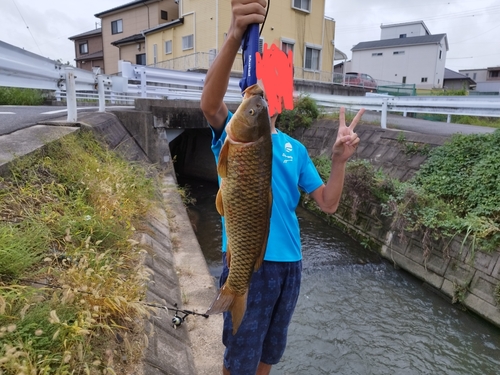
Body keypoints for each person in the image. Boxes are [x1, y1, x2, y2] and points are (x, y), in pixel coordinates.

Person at [200, 1, 365, 374]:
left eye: (275, 88)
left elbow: (328, 203)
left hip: (291, 267)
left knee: (268, 355)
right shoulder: (234, 135)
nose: (267, 95)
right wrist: (234, 36)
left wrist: (339, 161)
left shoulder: (296, 148)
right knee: (238, 355)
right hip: (247, 264)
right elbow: (210, 105)